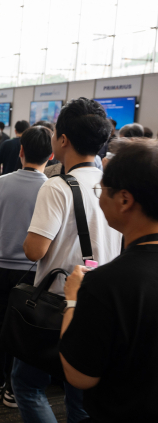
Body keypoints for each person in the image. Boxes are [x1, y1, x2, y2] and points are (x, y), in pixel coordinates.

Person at [15, 98, 123, 423]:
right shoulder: (114, 185)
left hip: (58, 302)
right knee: (81, 400)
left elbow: (34, 251)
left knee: (27, 384)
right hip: (102, 300)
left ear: (63, 140)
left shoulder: (57, 187)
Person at [59, 140, 158, 423]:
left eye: (101, 190)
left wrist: (72, 299)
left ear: (124, 200)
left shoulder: (107, 284)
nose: (99, 197)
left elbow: (79, 376)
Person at [0, 125, 52, 409]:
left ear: (20, 151)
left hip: (0, 263)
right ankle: (13, 388)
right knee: (25, 330)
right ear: (51, 155)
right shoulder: (51, 188)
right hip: (33, 270)